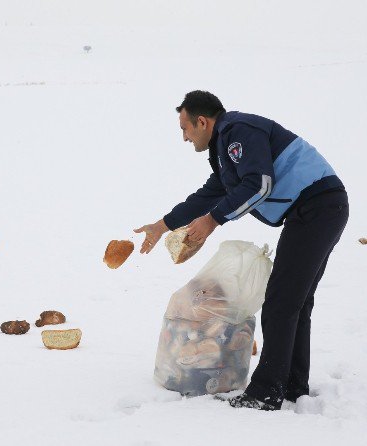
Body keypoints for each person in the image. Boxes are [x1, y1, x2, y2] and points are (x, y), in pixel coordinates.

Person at [134, 90, 349, 410]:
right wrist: (162, 225)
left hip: (317, 209)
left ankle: (267, 391)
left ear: (202, 121)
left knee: (281, 301)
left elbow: (259, 183)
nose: (183, 137)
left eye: (184, 128)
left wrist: (214, 221)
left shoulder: (239, 133)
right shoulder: (226, 148)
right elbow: (209, 194)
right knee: (294, 302)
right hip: (318, 209)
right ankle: (291, 384)